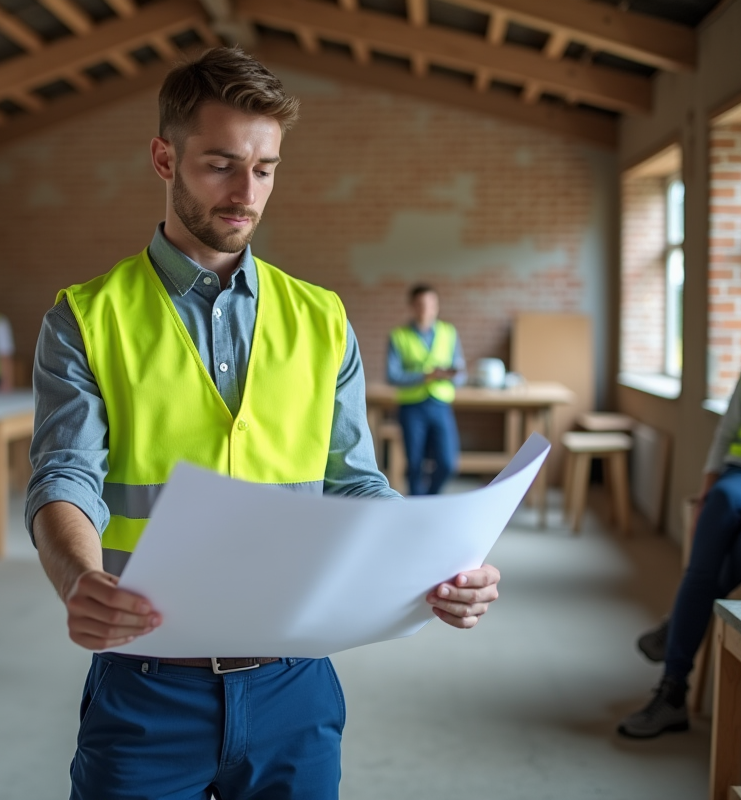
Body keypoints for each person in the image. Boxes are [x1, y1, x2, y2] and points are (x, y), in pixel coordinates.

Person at [26, 47, 503, 799]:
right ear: (164, 157)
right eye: (220, 164)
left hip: (296, 687)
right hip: (147, 681)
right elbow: (65, 474)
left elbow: (353, 482)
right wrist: (77, 578)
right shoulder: (85, 317)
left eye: (266, 167)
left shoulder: (321, 318)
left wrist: (433, 565)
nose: (246, 192)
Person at [619, 313, 741, 738]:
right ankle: (673, 692)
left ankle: (678, 624)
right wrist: (708, 490)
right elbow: (726, 433)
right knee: (720, 509)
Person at [386, 284, 466, 495]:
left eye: (431, 304)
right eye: (421, 304)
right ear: (412, 306)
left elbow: (461, 373)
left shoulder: (449, 333)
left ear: (437, 307)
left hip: (440, 405)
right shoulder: (398, 336)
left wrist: (451, 376)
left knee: (447, 462)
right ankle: (416, 507)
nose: (426, 309)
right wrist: (425, 376)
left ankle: (430, 500)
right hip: (412, 407)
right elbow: (393, 376)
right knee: (414, 464)